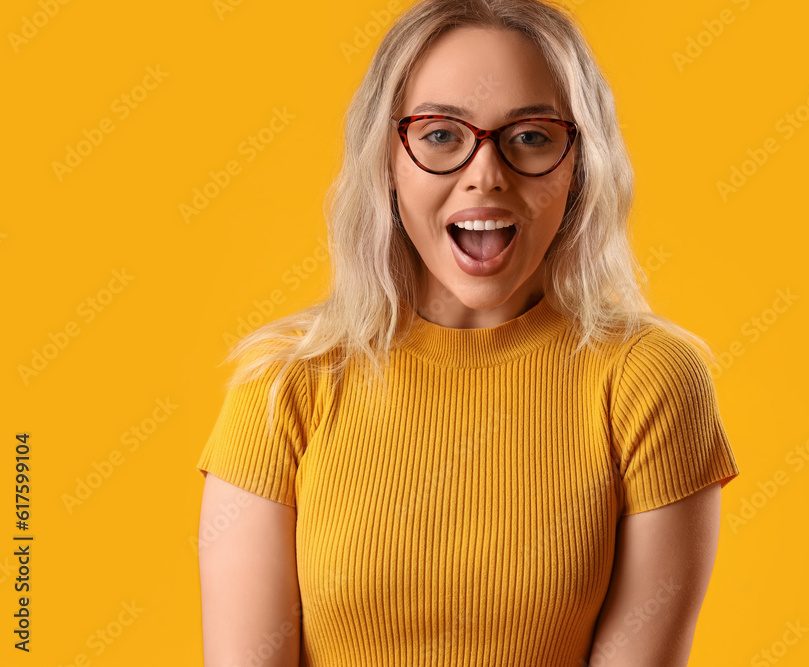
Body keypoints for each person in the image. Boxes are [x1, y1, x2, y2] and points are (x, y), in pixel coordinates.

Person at [196, 0, 741, 665]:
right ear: (387, 161)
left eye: (532, 136)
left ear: (580, 167)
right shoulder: (283, 386)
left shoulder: (648, 380)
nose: (486, 174)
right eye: (440, 134)